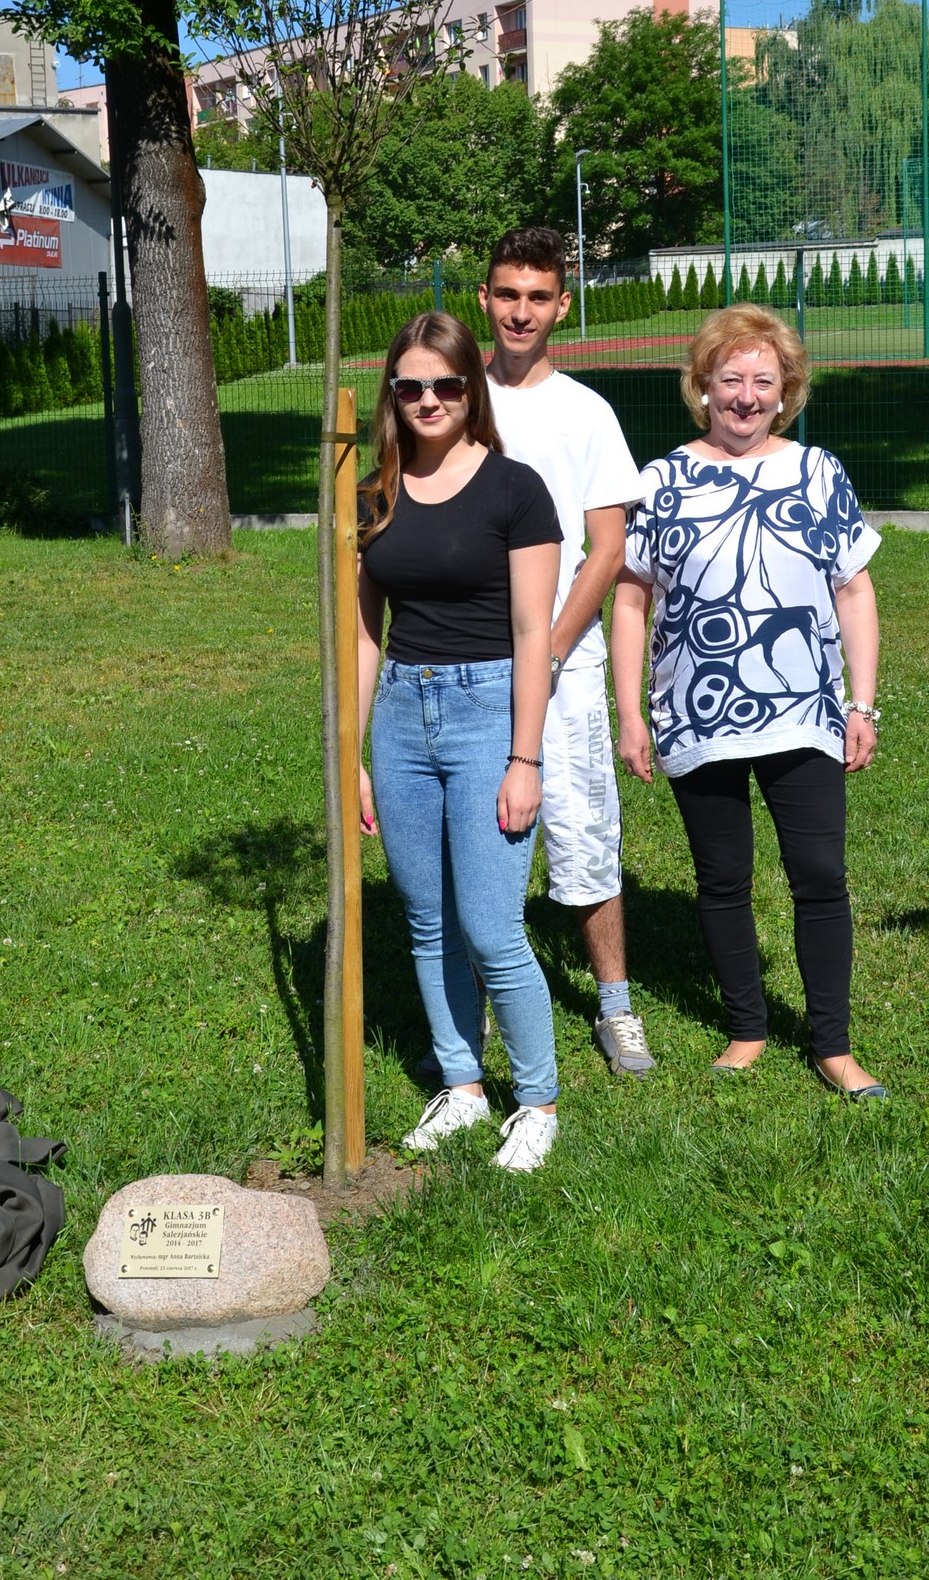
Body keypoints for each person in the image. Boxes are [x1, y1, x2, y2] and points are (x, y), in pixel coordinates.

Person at [611, 304, 886, 1099]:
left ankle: (832, 1046)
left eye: (763, 381)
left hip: (804, 710)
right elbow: (629, 600)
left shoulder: (816, 472)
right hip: (696, 711)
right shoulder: (659, 481)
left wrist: (861, 705)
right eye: (730, 379)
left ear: (786, 391)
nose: (745, 395)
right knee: (722, 877)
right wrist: (630, 714)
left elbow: (853, 590)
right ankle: (746, 1028)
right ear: (702, 386)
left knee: (818, 874)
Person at [357, 311, 565, 1171]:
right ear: (392, 394)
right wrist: (352, 756)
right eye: (410, 385)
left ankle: (537, 1101)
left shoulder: (515, 490)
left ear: (470, 388)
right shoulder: (372, 494)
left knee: (489, 926)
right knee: (427, 921)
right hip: (400, 713)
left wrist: (524, 759)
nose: (428, 399)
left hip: (488, 712)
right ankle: (463, 1085)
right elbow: (362, 633)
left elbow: (533, 633)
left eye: (445, 383)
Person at [479, 226, 656, 1078]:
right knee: (477, 836)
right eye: (508, 295)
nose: (521, 312)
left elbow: (608, 548)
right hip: (468, 660)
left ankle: (614, 1006)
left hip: (565, 664)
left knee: (585, 830)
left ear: (561, 306)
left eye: (538, 297)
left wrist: (546, 652)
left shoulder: (587, 413)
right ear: (485, 299)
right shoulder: (451, 399)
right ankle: (478, 1003)